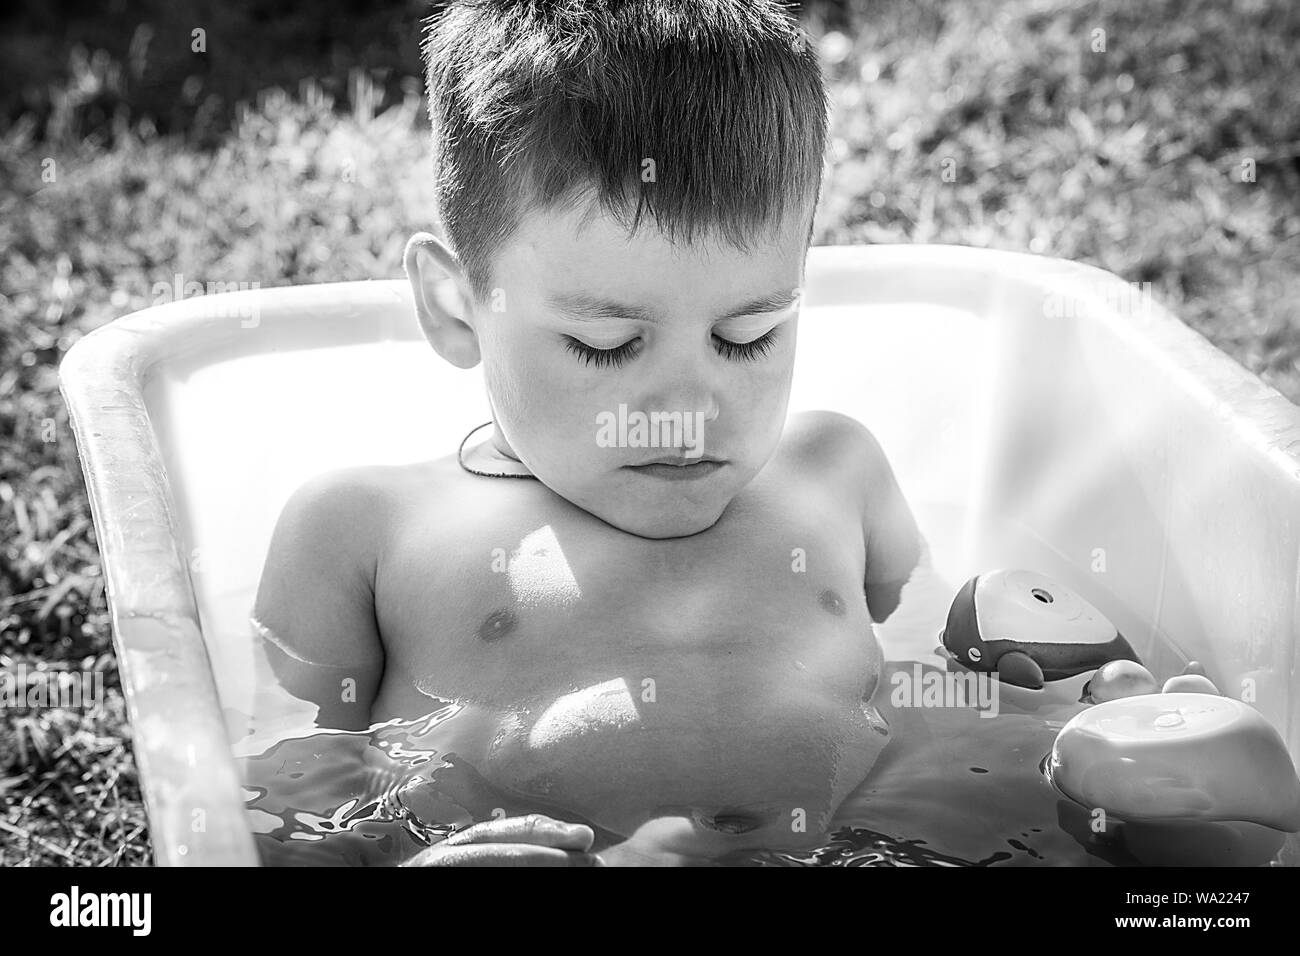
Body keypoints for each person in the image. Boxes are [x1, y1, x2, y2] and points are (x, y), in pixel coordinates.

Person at [253, 0, 922, 866]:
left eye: (749, 335)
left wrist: (1080, 714)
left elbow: (940, 671)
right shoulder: (362, 530)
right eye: (605, 344)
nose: (690, 408)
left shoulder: (839, 471)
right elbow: (280, 813)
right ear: (457, 309)